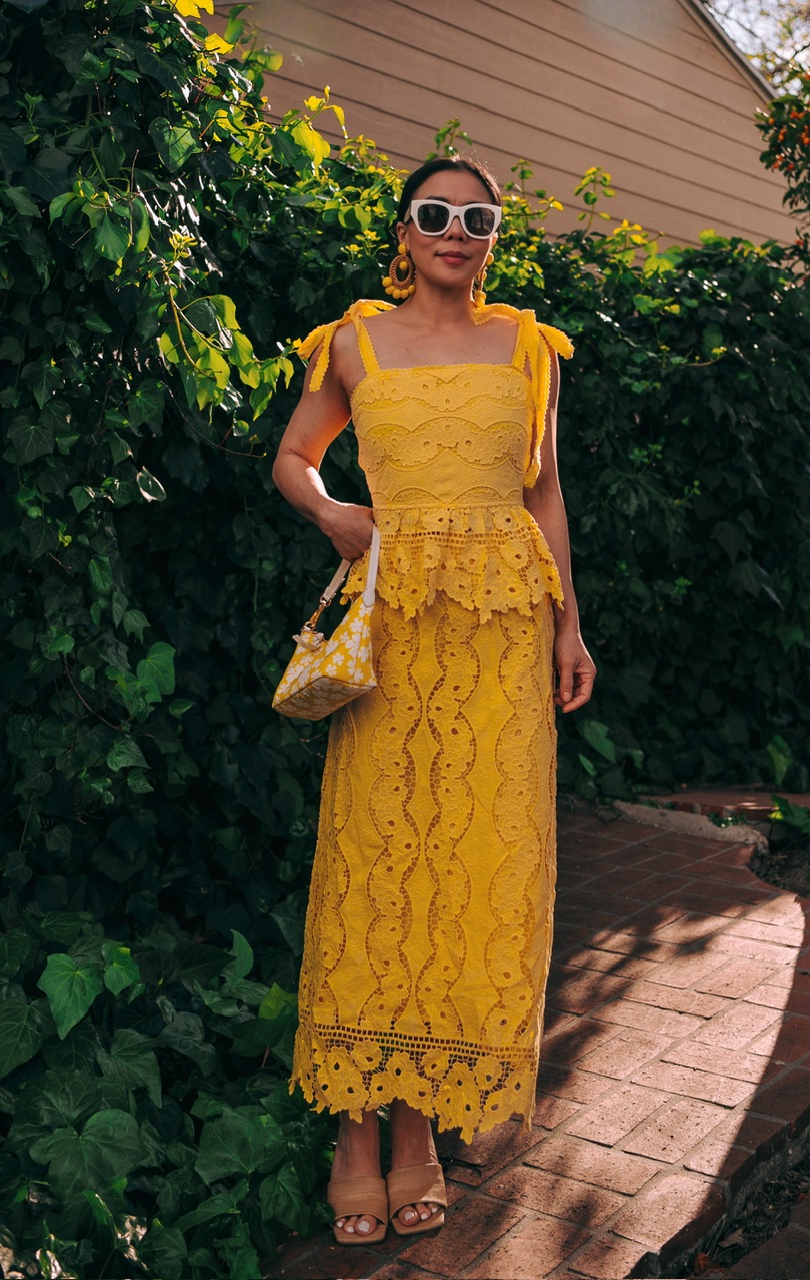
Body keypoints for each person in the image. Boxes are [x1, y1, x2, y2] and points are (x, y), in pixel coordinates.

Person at [272, 154, 596, 1246]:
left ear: (493, 235)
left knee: (467, 859)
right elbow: (293, 457)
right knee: (376, 849)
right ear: (402, 233)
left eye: (476, 217)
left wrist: (568, 620)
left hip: (500, 628)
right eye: (434, 214)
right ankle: (352, 1133)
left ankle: (416, 1124)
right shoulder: (353, 341)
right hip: (395, 615)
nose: (454, 230)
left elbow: (541, 487)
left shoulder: (527, 347)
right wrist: (332, 515)